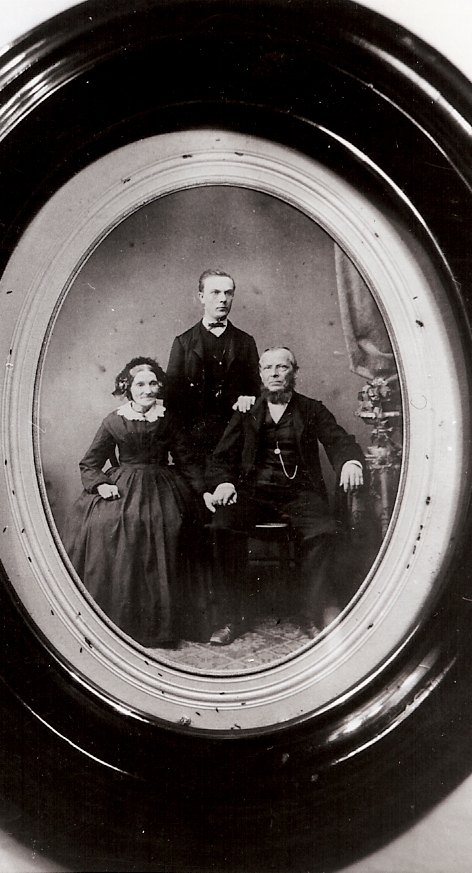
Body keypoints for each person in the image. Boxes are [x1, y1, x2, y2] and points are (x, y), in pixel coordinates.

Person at [204, 347, 365, 645]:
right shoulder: (247, 412)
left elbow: (339, 440)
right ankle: (232, 616)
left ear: (294, 372)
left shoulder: (311, 409)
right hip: (254, 494)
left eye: (282, 367)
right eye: (268, 368)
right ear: (260, 374)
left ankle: (320, 612)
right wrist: (224, 484)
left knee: (324, 530)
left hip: (299, 494)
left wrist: (350, 462)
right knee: (222, 526)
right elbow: (221, 457)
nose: (275, 373)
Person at [63, 357, 208, 648]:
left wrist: (203, 492)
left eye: (153, 383)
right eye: (140, 384)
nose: (148, 390)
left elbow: (187, 461)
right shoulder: (114, 421)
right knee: (113, 524)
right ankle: (120, 618)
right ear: (127, 388)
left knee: (169, 523)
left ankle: (167, 620)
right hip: (123, 485)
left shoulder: (168, 419)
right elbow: (90, 463)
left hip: (163, 484)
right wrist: (102, 484)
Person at [165, 269, 262, 469]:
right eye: (215, 292)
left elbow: (256, 390)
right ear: (201, 297)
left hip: (236, 440)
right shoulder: (183, 343)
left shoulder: (245, 342)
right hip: (194, 442)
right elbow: (171, 399)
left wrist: (248, 399)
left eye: (228, 293)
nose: (223, 299)